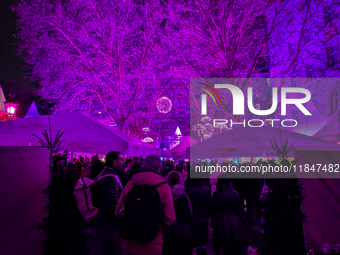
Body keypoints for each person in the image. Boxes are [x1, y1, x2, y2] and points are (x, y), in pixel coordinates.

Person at [115, 154, 176, 255]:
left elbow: (118, 208)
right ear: (159, 168)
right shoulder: (164, 187)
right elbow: (170, 218)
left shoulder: (131, 183)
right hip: (152, 243)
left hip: (129, 241)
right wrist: (160, 230)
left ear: (143, 165)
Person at [92, 151, 123, 255]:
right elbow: (112, 201)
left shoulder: (106, 174)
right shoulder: (110, 177)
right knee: (108, 246)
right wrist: (116, 216)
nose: (122, 162)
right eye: (120, 160)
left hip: (103, 218)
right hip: (107, 220)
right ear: (114, 162)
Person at [212, 174, 250, 255]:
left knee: (223, 242)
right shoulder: (235, 194)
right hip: (235, 220)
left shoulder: (216, 194)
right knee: (234, 242)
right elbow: (240, 210)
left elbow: (214, 210)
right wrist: (246, 226)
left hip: (221, 219)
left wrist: (213, 222)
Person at [163, 171, 193, 255]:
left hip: (167, 228)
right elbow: (188, 213)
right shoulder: (182, 194)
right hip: (182, 229)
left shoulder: (165, 193)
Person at [185, 177, 211, 255]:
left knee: (191, 241)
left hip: (190, 218)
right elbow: (209, 205)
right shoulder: (206, 190)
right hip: (203, 218)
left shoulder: (187, 190)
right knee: (202, 242)